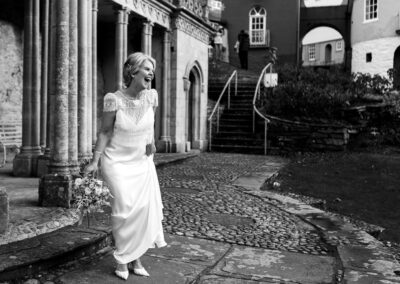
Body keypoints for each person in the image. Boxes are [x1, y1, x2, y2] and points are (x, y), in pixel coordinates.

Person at [84, 52, 167, 280]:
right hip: (116, 162)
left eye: (152, 69)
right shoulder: (113, 99)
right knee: (123, 210)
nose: (152, 73)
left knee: (140, 212)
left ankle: (136, 257)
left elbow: (150, 124)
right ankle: (122, 258)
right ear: (132, 71)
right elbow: (105, 131)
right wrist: (94, 161)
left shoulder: (152, 97)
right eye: (147, 69)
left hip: (142, 162)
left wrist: (151, 144)